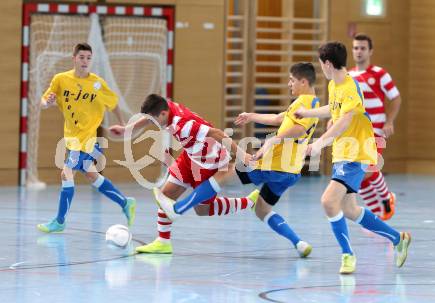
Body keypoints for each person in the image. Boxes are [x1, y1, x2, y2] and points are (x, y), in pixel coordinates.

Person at [152, 62, 321, 258]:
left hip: (274, 163)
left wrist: (273, 141)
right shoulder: (306, 104)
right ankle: (299, 243)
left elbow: (298, 130)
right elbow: (278, 119)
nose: (289, 84)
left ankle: (178, 209)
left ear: (303, 81)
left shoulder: (305, 103)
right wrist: (251, 116)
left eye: (292, 80)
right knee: (262, 209)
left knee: (223, 174)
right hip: (291, 172)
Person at [295, 41, 410, 274]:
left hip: (355, 152)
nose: (321, 68)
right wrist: (307, 112)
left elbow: (345, 120)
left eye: (320, 64)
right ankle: (399, 239)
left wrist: (319, 143)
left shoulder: (350, 86)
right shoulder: (334, 84)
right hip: (342, 152)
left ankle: (347, 255)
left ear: (327, 63)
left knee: (328, 202)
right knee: (349, 209)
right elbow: (333, 110)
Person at [110, 94, 253, 254]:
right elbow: (149, 118)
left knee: (202, 210)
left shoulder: (182, 124)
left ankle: (249, 202)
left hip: (210, 161)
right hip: (191, 155)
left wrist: (241, 154)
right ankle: (163, 242)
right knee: (165, 195)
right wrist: (126, 130)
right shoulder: (165, 107)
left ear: (163, 114)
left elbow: (217, 133)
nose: (153, 124)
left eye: (154, 120)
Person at [37, 43, 136, 233]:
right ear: (74, 58)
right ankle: (125, 203)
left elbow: (113, 103)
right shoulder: (61, 80)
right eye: (81, 57)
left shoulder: (97, 83)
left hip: (87, 139)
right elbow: (44, 101)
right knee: (92, 175)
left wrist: (122, 124)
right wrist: (46, 103)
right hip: (72, 138)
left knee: (66, 173)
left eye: (88, 58)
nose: (85, 61)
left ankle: (59, 221)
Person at [349, 33, 402, 220]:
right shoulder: (348, 76)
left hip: (376, 130)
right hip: (356, 133)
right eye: (356, 48)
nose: (359, 51)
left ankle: (387, 197)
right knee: (359, 175)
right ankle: (378, 212)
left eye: (363, 48)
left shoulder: (380, 74)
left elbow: (395, 98)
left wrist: (389, 121)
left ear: (370, 51)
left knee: (370, 168)